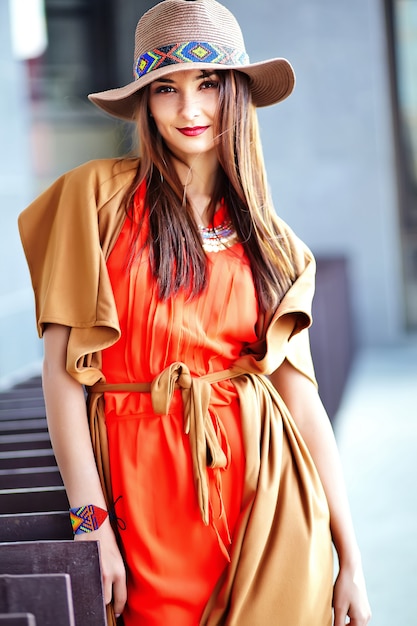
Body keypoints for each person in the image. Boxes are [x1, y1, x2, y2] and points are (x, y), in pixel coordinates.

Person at [18, 0, 372, 624]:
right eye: (166, 88)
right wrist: (89, 524)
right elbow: (62, 374)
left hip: (269, 502)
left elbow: (302, 400)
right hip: (144, 505)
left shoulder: (275, 242)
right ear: (145, 103)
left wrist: (351, 555)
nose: (190, 109)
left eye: (207, 83)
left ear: (234, 91)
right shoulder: (94, 201)